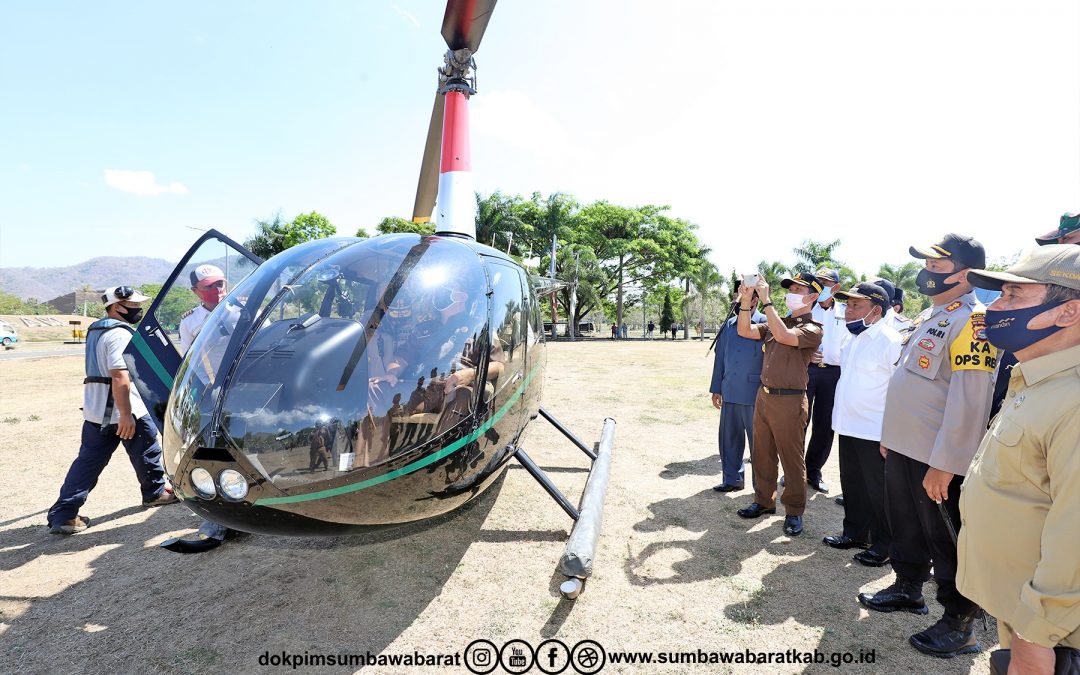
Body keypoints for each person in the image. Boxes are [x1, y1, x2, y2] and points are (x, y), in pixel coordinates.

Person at [858, 233, 998, 658]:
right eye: (928, 266)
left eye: (937, 267)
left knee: (946, 537)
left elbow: (970, 399)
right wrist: (891, 437)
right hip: (905, 446)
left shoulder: (972, 322)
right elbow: (909, 381)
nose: (927, 274)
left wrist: (948, 462)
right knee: (906, 523)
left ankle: (959, 623)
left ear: (965, 274)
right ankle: (908, 586)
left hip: (938, 455)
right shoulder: (932, 314)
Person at [958, 245, 1080, 670]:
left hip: (1048, 630)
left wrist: (1036, 632)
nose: (995, 308)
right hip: (1019, 605)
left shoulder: (1073, 399)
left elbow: (1075, 532)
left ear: (1068, 312)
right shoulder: (1036, 377)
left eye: (1014, 296)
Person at [47, 286, 177, 534]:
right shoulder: (119, 334)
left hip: (96, 411)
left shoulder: (96, 329)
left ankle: (64, 514)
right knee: (147, 451)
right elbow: (119, 376)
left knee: (87, 463)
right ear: (117, 306)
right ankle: (155, 493)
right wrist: (125, 415)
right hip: (123, 410)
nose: (139, 309)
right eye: (134, 305)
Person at [735, 272, 823, 536]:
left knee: (791, 458)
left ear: (813, 297)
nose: (792, 293)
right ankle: (764, 501)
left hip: (790, 399)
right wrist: (746, 300)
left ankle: (794, 511)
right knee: (762, 453)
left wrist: (766, 301)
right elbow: (744, 330)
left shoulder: (813, 328)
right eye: (791, 289)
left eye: (798, 290)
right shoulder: (779, 320)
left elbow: (784, 336)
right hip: (765, 395)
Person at [822, 283, 901, 567]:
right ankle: (855, 534)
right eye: (848, 304)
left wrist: (891, 433)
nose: (849, 310)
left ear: (876, 311)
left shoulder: (891, 341)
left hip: (875, 430)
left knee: (879, 491)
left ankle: (884, 546)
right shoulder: (853, 337)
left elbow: (900, 391)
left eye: (856, 305)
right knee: (853, 485)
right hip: (849, 424)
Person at [709, 282, 766, 492]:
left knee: (759, 444)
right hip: (730, 390)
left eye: (742, 296)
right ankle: (732, 479)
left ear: (754, 300)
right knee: (729, 439)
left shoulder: (766, 323)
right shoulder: (728, 325)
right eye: (736, 296)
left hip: (755, 394)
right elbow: (720, 359)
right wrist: (717, 388)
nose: (736, 300)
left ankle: (762, 488)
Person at [802, 267, 850, 493]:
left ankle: (814, 470)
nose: (821, 287)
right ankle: (795, 469)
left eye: (826, 283)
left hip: (833, 374)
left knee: (825, 425)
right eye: (818, 282)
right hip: (807, 371)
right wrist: (806, 354)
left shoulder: (846, 312)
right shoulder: (805, 310)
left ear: (836, 287)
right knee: (800, 421)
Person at [179, 264, 227, 352]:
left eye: (220, 284)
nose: (216, 289)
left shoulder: (241, 310)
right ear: (195, 290)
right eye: (209, 286)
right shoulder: (189, 321)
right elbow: (188, 354)